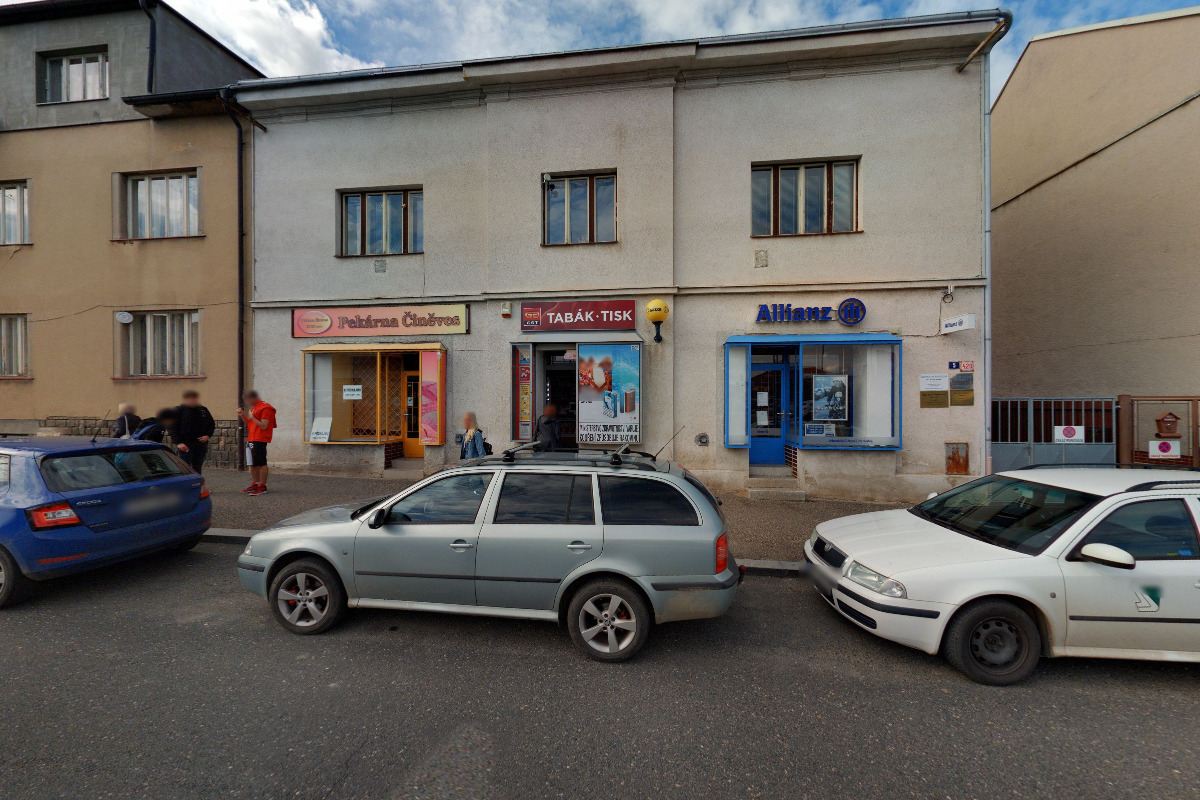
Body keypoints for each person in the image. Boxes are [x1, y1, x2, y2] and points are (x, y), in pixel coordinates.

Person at [238, 390, 277, 496]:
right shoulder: (254, 408)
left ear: (252, 398)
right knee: (252, 464)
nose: (246, 403)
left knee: (261, 463)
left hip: (260, 439)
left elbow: (264, 425)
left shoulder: (266, 408)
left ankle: (262, 486)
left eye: (247, 400)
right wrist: (243, 415)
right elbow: (250, 425)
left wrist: (252, 417)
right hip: (251, 438)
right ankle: (255, 483)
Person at [173, 390, 215, 474]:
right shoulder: (178, 410)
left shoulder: (203, 410)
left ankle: (199, 485)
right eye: (191, 399)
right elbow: (172, 428)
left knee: (197, 466)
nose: (193, 401)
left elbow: (211, 424)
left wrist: (207, 435)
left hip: (200, 444)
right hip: (185, 445)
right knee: (185, 467)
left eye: (195, 399)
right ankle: (186, 485)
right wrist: (178, 443)